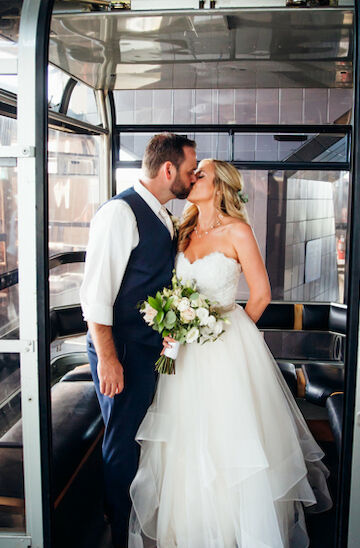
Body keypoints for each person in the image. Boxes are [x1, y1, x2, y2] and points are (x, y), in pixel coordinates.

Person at [128, 159, 332, 548]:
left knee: (229, 441)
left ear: (219, 185)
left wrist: (226, 330)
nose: (192, 177)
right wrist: (179, 327)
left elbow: (261, 295)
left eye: (199, 174)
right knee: (187, 441)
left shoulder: (238, 231)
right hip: (185, 355)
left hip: (224, 348)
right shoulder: (181, 229)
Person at [80, 133, 197, 548]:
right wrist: (109, 360)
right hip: (123, 351)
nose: (192, 177)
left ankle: (136, 520)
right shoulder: (119, 214)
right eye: (189, 170)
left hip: (150, 349)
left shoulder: (163, 214)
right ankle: (117, 530)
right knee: (123, 440)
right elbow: (95, 298)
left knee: (140, 436)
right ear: (168, 170)